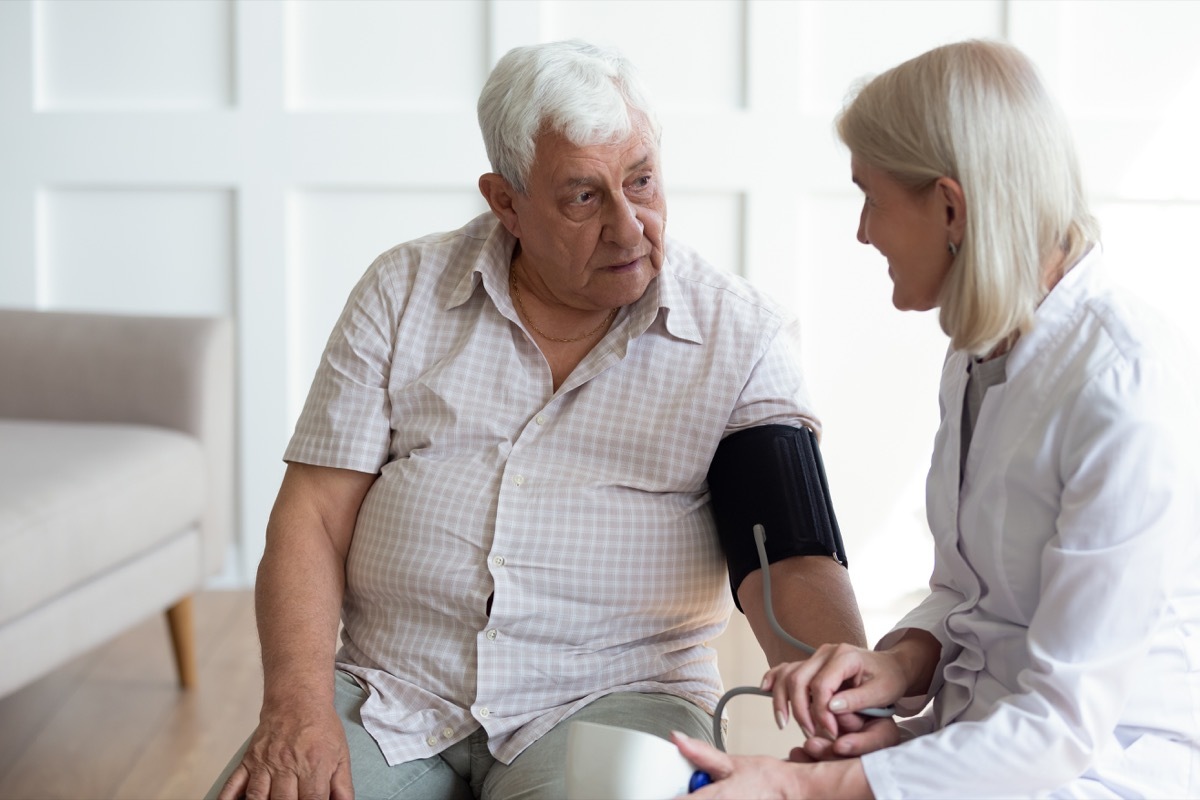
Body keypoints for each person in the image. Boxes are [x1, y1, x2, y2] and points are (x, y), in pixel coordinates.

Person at [209, 39, 867, 800]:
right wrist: (297, 707)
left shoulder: (739, 335)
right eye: (584, 197)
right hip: (395, 693)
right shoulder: (404, 290)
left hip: (615, 697)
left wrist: (853, 709)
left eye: (642, 181)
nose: (629, 226)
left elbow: (788, 554)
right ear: (507, 203)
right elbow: (315, 516)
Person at [673, 39, 1200, 798]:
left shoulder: (1126, 395)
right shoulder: (980, 354)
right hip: (998, 753)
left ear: (949, 207)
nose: (861, 231)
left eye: (871, 197)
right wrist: (898, 664)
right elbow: (968, 593)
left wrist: (818, 787)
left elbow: (1058, 726)